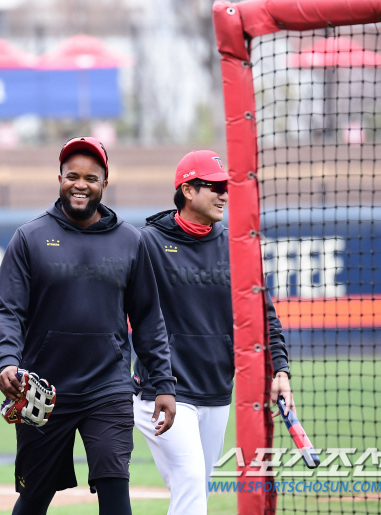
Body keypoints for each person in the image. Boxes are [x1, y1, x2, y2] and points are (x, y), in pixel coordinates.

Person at [0, 137, 177, 515]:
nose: (81, 184)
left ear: (104, 184)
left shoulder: (131, 241)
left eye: (91, 178)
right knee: (34, 496)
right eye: (72, 176)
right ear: (59, 178)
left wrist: (164, 385)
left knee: (114, 488)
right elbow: (9, 310)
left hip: (106, 388)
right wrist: (7, 361)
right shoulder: (29, 238)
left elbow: (148, 319)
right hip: (42, 389)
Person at [132, 150, 295, 515]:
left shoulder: (236, 245)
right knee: (191, 483)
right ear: (187, 190)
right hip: (163, 392)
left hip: (217, 391)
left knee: (193, 491)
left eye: (227, 186)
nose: (224, 194)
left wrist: (280, 370)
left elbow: (264, 314)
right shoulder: (148, 243)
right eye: (215, 186)